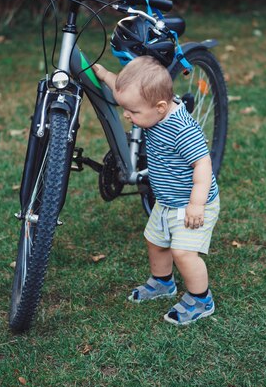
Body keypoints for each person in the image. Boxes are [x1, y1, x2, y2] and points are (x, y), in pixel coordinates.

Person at [92, 55, 220, 326]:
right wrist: (104, 74)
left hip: (190, 203)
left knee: (183, 253)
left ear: (161, 107)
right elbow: (123, 90)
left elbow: (203, 163)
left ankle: (201, 299)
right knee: (156, 242)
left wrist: (196, 204)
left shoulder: (182, 129)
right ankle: (163, 283)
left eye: (133, 112)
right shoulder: (150, 108)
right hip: (166, 200)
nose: (127, 115)